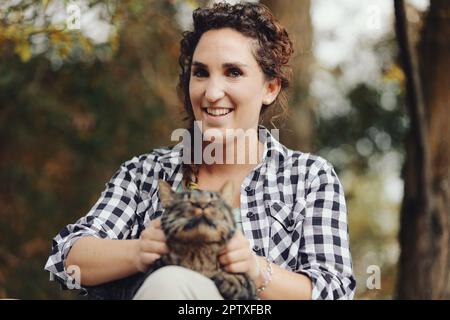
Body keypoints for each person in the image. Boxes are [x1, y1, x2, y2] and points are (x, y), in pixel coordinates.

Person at [45, 1, 355, 300]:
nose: (212, 92)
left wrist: (255, 269)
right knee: (169, 283)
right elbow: (66, 261)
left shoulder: (309, 178)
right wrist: (139, 252)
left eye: (233, 72)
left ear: (270, 87)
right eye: (201, 72)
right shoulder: (146, 173)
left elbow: (336, 291)